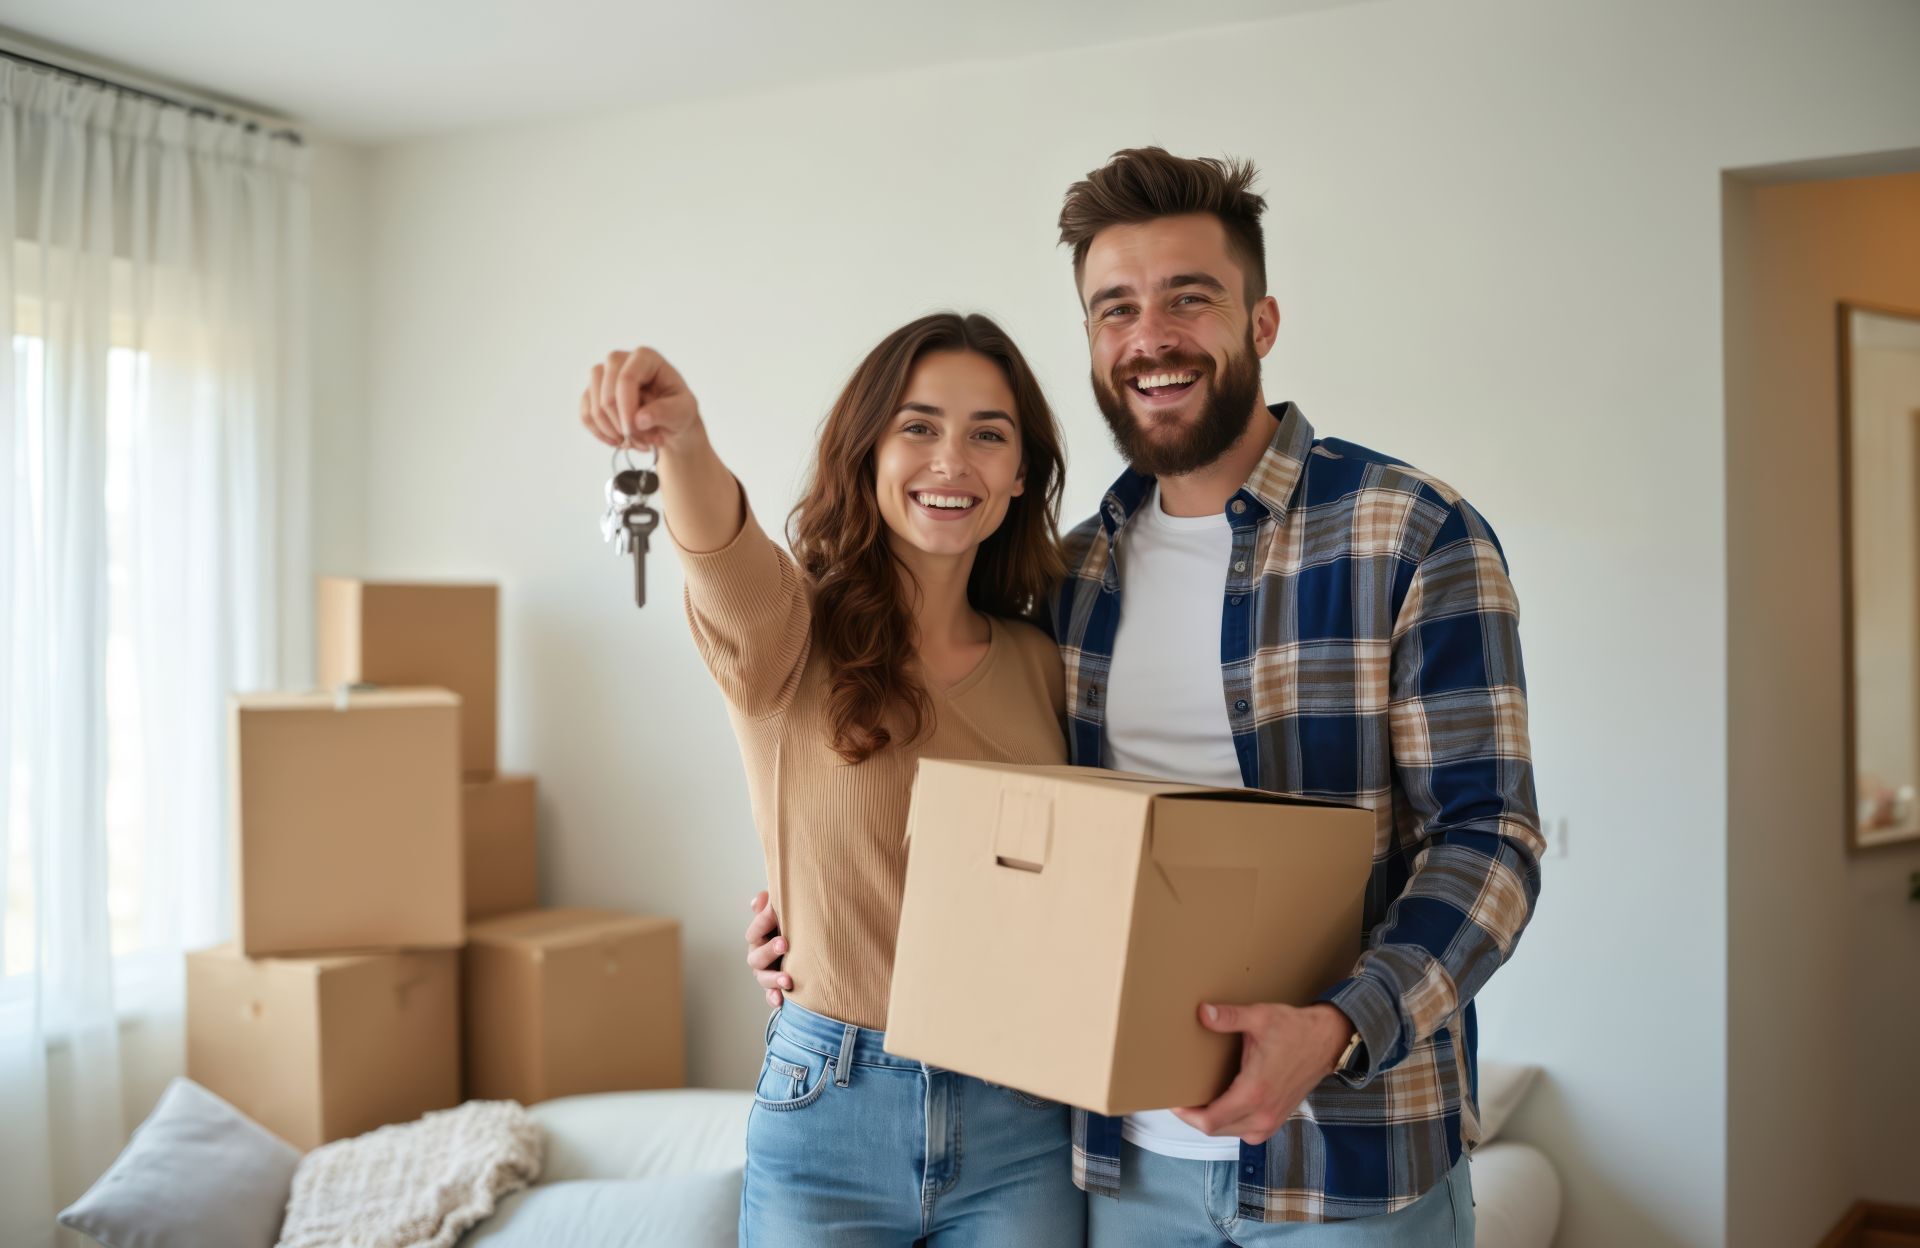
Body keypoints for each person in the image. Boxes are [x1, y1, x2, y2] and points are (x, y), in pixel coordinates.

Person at [750, 148, 1544, 1246]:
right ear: (1090, 341)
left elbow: (1491, 840)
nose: (1151, 337)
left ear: (1261, 322)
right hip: (1119, 1170)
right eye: (1114, 308)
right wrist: (819, 913)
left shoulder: (1410, 533)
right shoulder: (1066, 582)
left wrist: (1337, 1027)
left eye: (1189, 299)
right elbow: (1003, 826)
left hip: (1347, 1162)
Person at [578, 312, 1088, 1246]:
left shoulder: (1044, 664)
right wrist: (682, 439)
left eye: (988, 434)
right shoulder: (789, 634)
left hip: (1023, 1119)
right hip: (832, 1107)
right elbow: (720, 558)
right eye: (919, 427)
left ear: (1020, 477)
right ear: (867, 453)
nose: (952, 461)